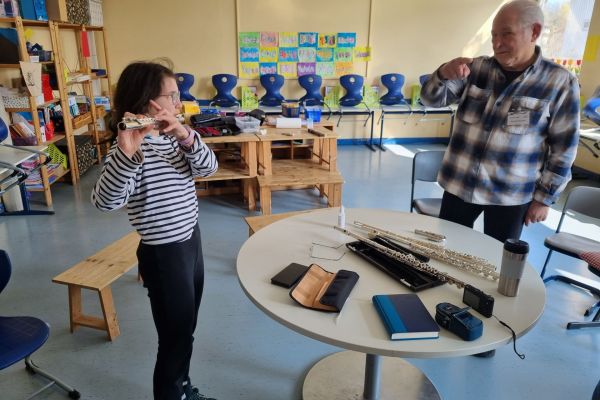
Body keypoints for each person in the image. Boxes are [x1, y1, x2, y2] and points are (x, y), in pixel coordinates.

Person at [91, 60, 218, 400]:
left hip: (191, 241)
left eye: (178, 95)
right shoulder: (129, 148)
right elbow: (105, 202)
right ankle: (171, 394)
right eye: (171, 96)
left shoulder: (175, 139)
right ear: (147, 101)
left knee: (186, 328)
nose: (179, 103)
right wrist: (126, 155)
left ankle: (183, 388)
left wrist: (185, 135)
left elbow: (208, 169)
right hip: (163, 254)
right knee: (175, 337)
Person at [421, 0, 580, 245]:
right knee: (444, 249)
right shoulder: (475, 69)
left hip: (510, 196)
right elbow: (430, 100)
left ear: (534, 32)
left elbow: (564, 149)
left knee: (497, 260)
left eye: (506, 34)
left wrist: (543, 199)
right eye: (494, 35)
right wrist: (442, 74)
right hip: (459, 185)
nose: (496, 43)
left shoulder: (559, 82)